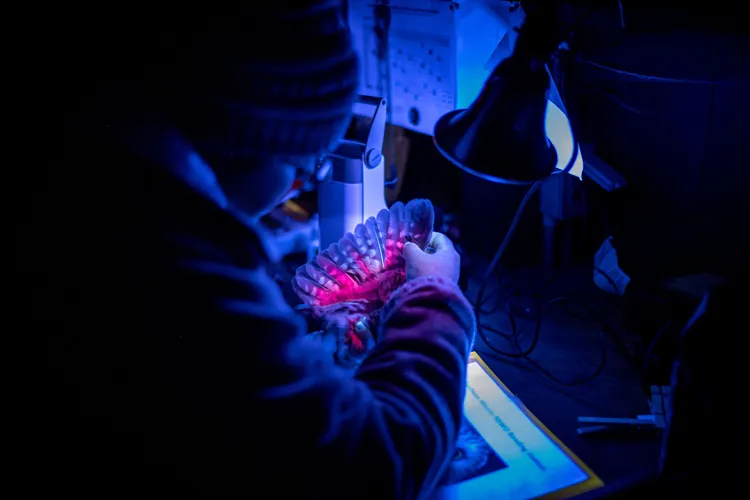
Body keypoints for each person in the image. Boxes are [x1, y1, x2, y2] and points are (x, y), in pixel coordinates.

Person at [36, 2, 476, 498]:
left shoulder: (98, 180)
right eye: (308, 165)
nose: (298, 184)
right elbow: (380, 464)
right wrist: (433, 296)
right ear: (248, 140)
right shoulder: (171, 265)